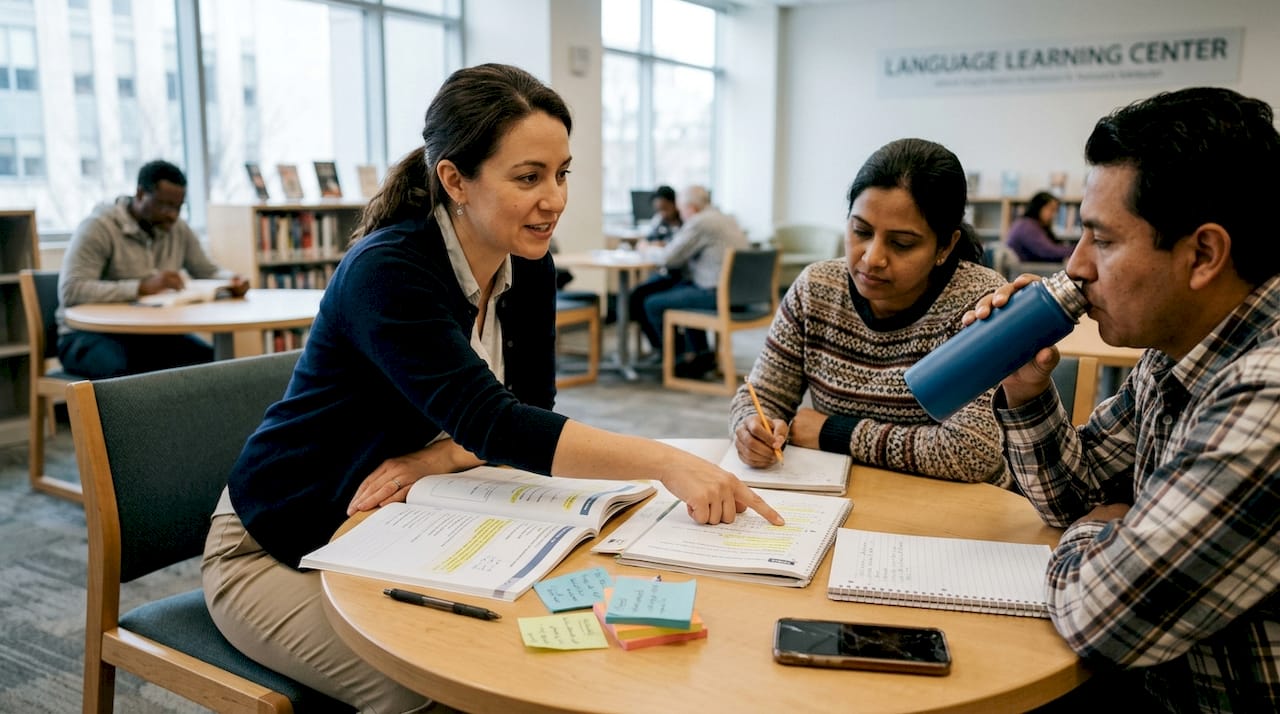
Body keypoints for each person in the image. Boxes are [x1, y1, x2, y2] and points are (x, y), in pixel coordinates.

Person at [202, 63, 782, 713]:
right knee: (428, 690)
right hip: (278, 544)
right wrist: (665, 462)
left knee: (525, 646)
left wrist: (440, 456)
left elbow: (528, 411)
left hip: (401, 519)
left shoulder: (528, 263)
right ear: (454, 180)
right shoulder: (389, 270)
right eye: (528, 177)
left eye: (562, 173)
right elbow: (496, 425)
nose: (554, 199)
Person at [969, 87, 1280, 711]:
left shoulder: (1268, 394)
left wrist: (1095, 534)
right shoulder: (1177, 349)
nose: (1076, 265)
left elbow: (1106, 617)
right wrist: (1026, 388)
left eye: (1101, 241)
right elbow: (1075, 496)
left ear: (1204, 254)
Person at [731, 138, 1010, 487]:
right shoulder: (817, 287)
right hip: (843, 496)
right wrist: (751, 428)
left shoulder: (979, 302)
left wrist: (832, 433)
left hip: (956, 510)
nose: (872, 258)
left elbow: (972, 453)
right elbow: (763, 395)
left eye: (902, 243)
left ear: (945, 246)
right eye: (860, 231)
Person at [57, 159, 249, 379]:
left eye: (178, 207)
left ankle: (190, 415)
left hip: (150, 335)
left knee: (210, 366)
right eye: (164, 205)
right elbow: (71, 290)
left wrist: (232, 280)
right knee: (127, 376)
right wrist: (140, 288)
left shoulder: (178, 229)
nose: (172, 215)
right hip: (88, 336)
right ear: (140, 194)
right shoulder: (99, 227)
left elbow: (207, 270)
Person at [629, 184, 747, 377]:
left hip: (715, 294)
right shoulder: (726, 218)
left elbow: (669, 257)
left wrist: (645, 248)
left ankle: (677, 359)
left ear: (690, 208)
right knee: (681, 289)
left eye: (681, 209)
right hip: (740, 294)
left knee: (651, 303)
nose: (680, 214)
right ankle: (699, 354)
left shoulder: (700, 222)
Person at [1006, 190, 1074, 262]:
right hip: (1028, 269)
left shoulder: (1032, 224)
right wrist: (1075, 250)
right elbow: (1048, 251)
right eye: (1051, 209)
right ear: (1038, 207)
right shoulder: (1027, 226)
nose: (1053, 215)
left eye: (1055, 211)